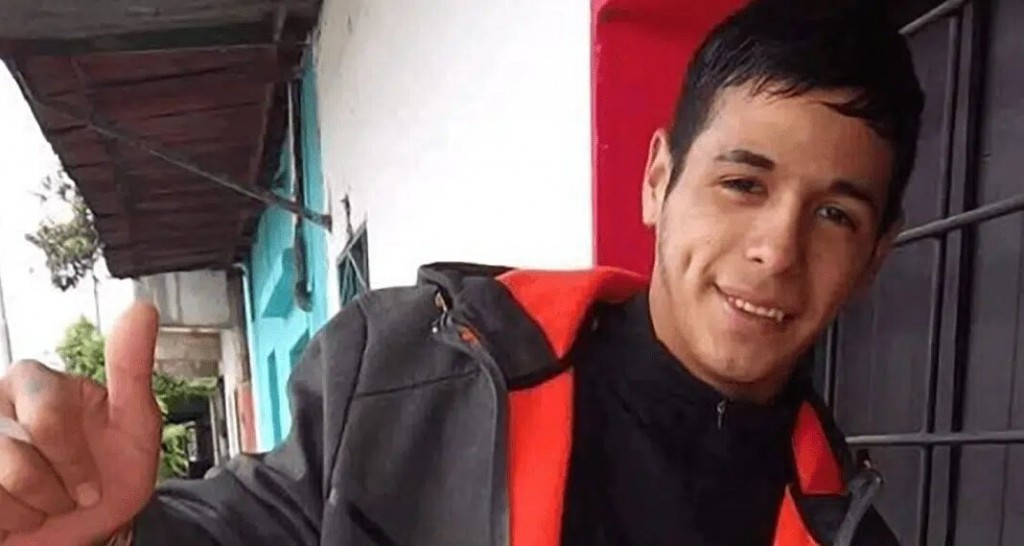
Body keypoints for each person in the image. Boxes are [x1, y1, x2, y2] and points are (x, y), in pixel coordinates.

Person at [0, 1, 923, 545]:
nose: (776, 250)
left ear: (875, 257)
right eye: (742, 183)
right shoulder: (408, 376)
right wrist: (116, 534)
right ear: (657, 179)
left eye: (835, 214)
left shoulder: (846, 527)